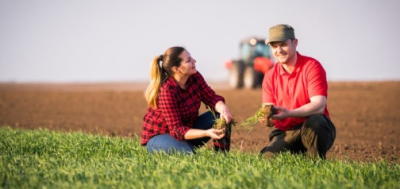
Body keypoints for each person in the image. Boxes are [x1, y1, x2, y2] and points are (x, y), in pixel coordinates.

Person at [259, 24, 336, 159]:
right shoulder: (270, 76)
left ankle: (315, 164)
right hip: (286, 132)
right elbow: (269, 109)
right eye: (274, 46)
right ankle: (298, 154)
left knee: (316, 122)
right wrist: (266, 118)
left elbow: (319, 105)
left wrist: (290, 113)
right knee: (267, 159)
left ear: (295, 43)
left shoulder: (311, 67)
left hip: (312, 128)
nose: (279, 50)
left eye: (283, 44)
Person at [141, 46, 232, 154]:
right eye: (188, 60)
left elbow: (211, 98)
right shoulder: (166, 91)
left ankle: (221, 157)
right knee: (189, 155)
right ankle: (184, 148)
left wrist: (223, 109)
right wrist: (207, 133)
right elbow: (177, 130)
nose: (194, 61)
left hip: (186, 130)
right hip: (160, 136)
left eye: (191, 58)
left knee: (220, 117)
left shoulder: (195, 77)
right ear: (176, 69)